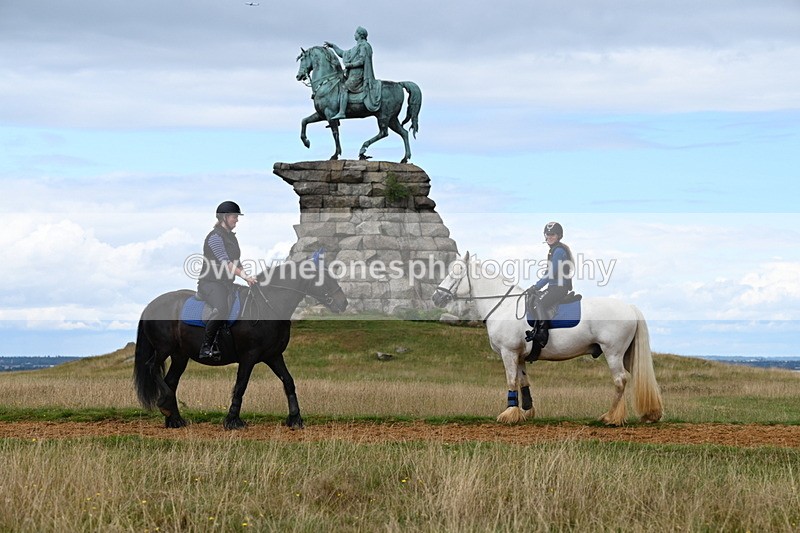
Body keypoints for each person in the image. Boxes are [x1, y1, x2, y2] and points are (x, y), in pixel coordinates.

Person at [196, 201, 257, 360]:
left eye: (237, 217)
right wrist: (244, 276)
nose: (236, 220)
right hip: (210, 283)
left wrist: (247, 278)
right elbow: (226, 263)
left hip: (226, 283)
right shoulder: (214, 237)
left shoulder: (231, 238)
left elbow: (236, 262)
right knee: (222, 308)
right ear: (224, 217)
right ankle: (206, 347)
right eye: (234, 216)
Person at [525, 222, 574, 361]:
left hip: (558, 288)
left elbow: (551, 273)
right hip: (554, 287)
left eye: (552, 235)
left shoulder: (559, 251)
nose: (549, 237)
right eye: (547, 235)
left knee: (538, 303)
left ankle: (542, 335)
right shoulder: (553, 251)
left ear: (559, 236)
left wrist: (536, 287)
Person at [324, 26, 381, 119]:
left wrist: (350, 65)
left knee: (344, 87)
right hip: (352, 74)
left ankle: (342, 112)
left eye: (356, 33)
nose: (354, 34)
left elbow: (362, 61)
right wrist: (333, 46)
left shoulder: (364, 46)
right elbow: (343, 54)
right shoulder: (356, 47)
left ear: (360, 35)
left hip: (358, 75)